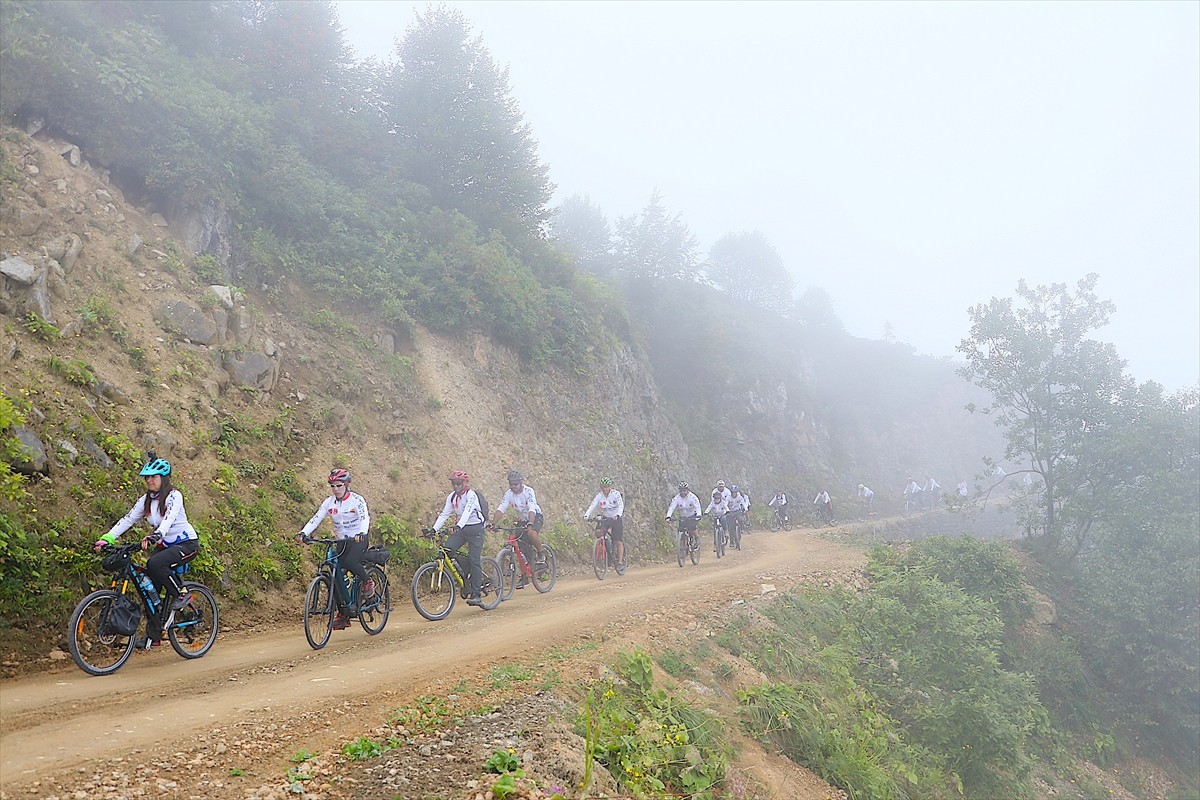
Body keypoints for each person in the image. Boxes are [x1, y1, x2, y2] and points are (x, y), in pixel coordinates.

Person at [94, 454, 199, 649]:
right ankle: (154, 637)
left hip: (186, 544)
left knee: (155, 563)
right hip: (164, 545)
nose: (149, 480)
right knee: (150, 590)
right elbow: (128, 519)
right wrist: (107, 538)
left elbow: (168, 519)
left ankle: (181, 595)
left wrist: (156, 535)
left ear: (163, 478)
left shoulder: (174, 496)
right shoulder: (146, 500)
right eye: (147, 477)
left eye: (153, 476)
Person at [296, 469, 372, 630]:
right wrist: (304, 533)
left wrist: (362, 533)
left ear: (346, 485)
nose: (335, 489)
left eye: (339, 485)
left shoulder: (357, 500)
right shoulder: (329, 503)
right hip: (341, 541)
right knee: (335, 574)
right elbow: (316, 518)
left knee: (351, 562)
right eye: (332, 486)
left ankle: (367, 581)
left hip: (358, 540)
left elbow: (364, 518)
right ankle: (344, 613)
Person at [430, 470, 488, 607]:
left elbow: (467, 511)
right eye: (453, 484)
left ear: (464, 483)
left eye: (458, 483)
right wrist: (433, 529)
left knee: (474, 560)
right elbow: (445, 514)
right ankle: (465, 575)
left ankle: (476, 594)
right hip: (462, 529)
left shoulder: (471, 495)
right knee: (447, 550)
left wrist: (458, 525)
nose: (455, 486)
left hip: (476, 529)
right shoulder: (452, 497)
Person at [491, 470, 545, 583]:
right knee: (520, 548)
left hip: (535, 516)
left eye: (515, 484)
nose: (513, 486)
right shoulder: (509, 494)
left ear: (521, 483)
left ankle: (541, 554)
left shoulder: (528, 491)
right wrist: (493, 523)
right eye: (511, 484)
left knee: (531, 533)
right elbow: (501, 508)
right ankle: (525, 574)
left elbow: (532, 507)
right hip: (522, 520)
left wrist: (530, 523)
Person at [584, 477, 626, 566]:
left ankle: (620, 561)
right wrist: (586, 515)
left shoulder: (616, 494)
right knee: (598, 532)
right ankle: (606, 543)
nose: (605, 489)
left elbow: (621, 505)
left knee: (618, 541)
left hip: (615, 518)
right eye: (603, 487)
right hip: (606, 518)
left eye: (606, 487)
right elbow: (593, 505)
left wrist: (618, 515)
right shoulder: (599, 496)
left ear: (609, 487)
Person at [665, 481, 702, 550]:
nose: (683, 492)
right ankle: (683, 544)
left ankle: (696, 538)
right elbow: (672, 507)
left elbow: (697, 506)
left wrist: (699, 515)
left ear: (687, 490)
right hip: (683, 516)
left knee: (692, 528)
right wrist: (668, 516)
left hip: (692, 515)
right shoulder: (676, 498)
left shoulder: (693, 497)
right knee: (680, 529)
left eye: (684, 490)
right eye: (681, 491)